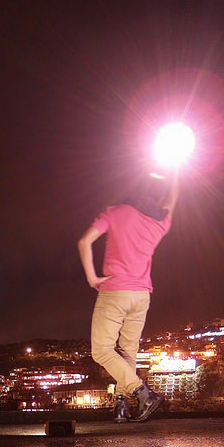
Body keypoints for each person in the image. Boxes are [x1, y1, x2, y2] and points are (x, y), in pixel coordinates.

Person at [78, 172, 179, 422]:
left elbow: (84, 241)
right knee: (128, 351)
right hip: (142, 295)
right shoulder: (160, 222)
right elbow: (171, 203)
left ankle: (142, 393)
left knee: (101, 350)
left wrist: (92, 278)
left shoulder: (115, 212)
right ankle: (121, 406)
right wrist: (176, 174)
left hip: (115, 291)